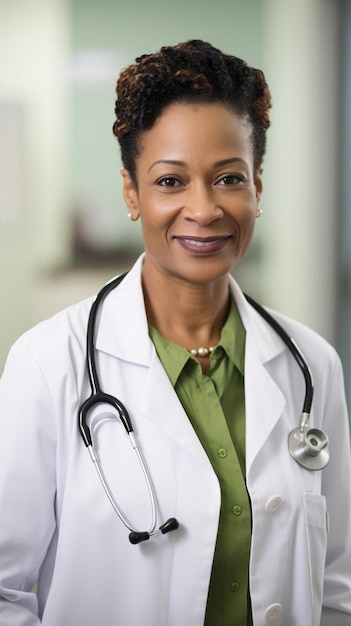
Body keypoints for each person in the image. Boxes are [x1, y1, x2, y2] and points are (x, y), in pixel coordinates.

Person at [0, 39, 350, 626]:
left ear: (258, 188)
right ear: (132, 192)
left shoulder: (312, 364)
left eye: (229, 178)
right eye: (170, 181)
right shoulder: (47, 363)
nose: (205, 208)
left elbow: (336, 586)